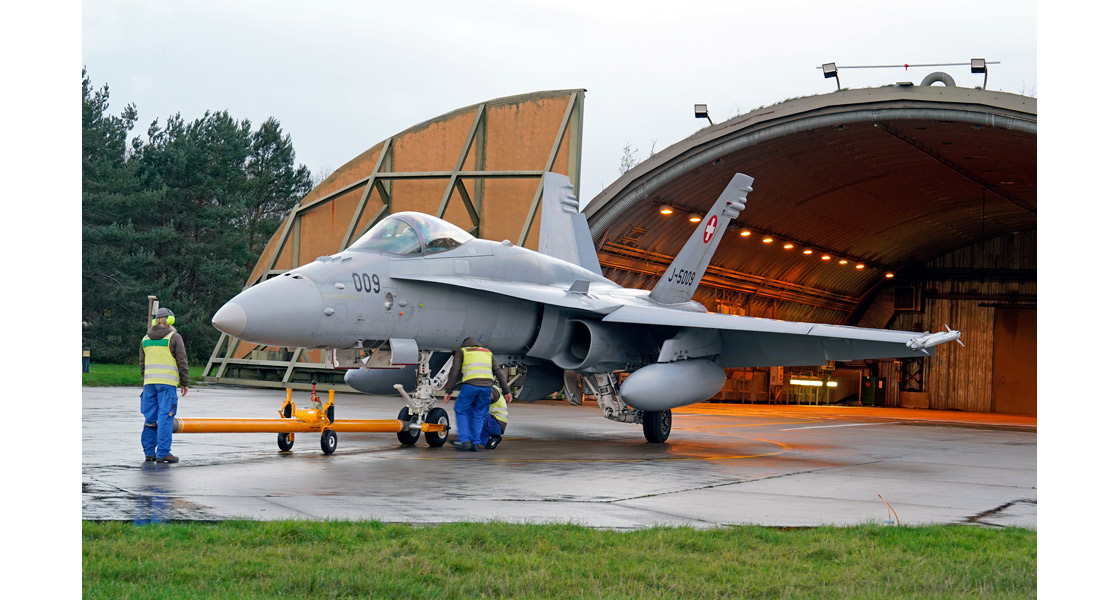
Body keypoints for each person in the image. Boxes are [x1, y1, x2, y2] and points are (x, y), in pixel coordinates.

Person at [441, 337, 511, 451]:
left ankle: (464, 441)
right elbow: (498, 371)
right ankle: (475, 443)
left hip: (471, 385)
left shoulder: (463, 351)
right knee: (479, 414)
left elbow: (454, 371)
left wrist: (449, 390)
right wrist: (507, 391)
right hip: (486, 387)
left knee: (461, 409)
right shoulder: (487, 352)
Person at [139, 307, 190, 463]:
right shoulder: (174, 337)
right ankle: (163, 453)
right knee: (165, 418)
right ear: (170, 320)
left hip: (149, 384)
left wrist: (146, 379)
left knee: (150, 419)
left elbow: (142, 363)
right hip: (167, 384)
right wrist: (185, 382)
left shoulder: (145, 339)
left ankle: (149, 453)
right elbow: (182, 360)